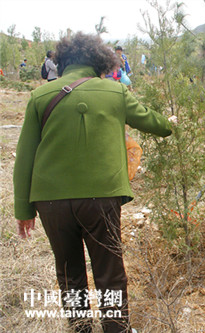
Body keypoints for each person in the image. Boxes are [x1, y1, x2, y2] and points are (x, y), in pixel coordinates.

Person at [13, 32, 177, 333]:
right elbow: (154, 123)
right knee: (109, 272)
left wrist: (23, 209)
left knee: (69, 273)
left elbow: (24, 157)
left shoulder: (40, 96)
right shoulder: (115, 91)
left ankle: (81, 329)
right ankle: (116, 329)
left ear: (62, 62)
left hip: (51, 201)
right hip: (101, 199)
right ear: (101, 61)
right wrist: (172, 124)